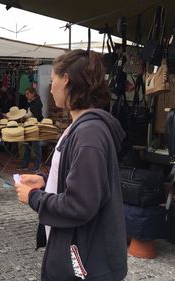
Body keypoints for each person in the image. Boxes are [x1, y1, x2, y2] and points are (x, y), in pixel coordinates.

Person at [14, 50, 127, 281]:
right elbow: (83, 180)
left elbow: (80, 204)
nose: (50, 86)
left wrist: (35, 197)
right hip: (80, 250)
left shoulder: (89, 134)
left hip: (84, 263)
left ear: (66, 79)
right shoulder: (82, 127)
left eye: (52, 79)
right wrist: (46, 181)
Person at [18, 87, 43, 172]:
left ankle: (37, 165)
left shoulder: (37, 102)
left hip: (35, 126)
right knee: (27, 146)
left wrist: (26, 114)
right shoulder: (28, 103)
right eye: (26, 94)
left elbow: (34, 113)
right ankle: (25, 164)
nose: (26, 96)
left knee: (36, 147)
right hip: (29, 125)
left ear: (33, 94)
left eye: (28, 94)